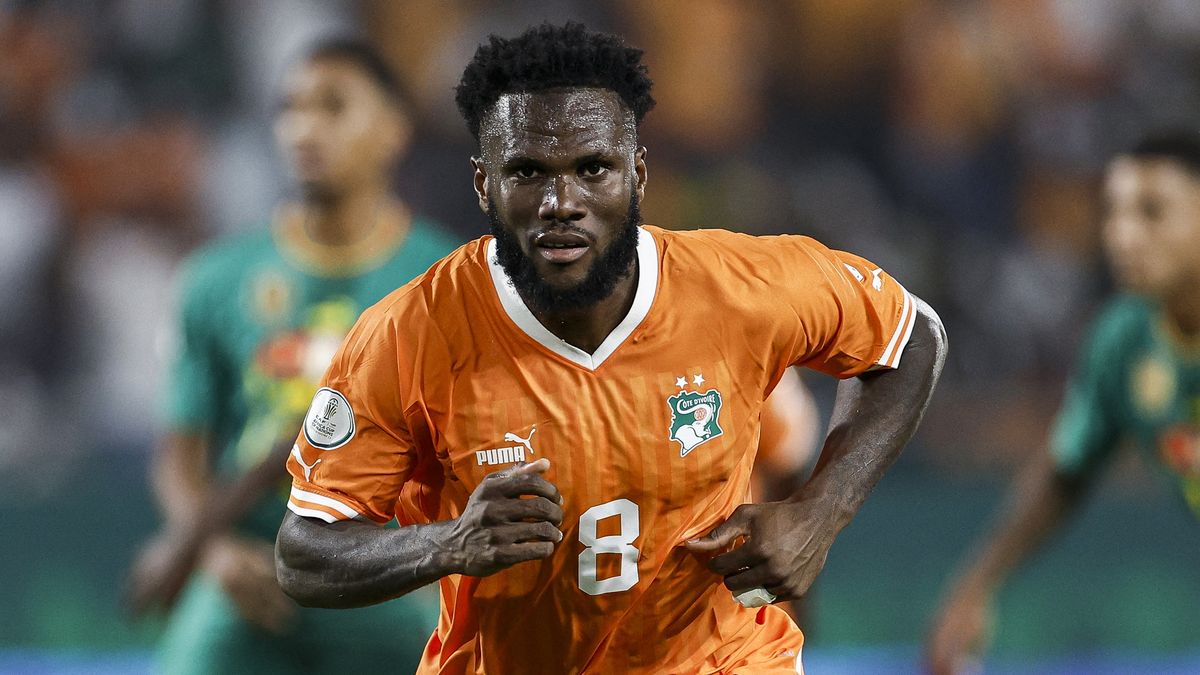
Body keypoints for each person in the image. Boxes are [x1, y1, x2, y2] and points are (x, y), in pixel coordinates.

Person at [275, 22, 946, 674]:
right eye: (528, 172)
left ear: (639, 174)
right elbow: (304, 551)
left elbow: (911, 334)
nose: (561, 201)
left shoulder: (742, 289)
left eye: (593, 167)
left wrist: (817, 515)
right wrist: (448, 543)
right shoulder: (410, 332)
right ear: (484, 184)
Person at [131, 38, 460, 674]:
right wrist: (214, 552)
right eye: (291, 109)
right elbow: (181, 453)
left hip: (388, 567)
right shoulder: (215, 278)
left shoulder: (448, 280)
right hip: (250, 565)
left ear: (394, 131)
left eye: (333, 107)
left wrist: (432, 561)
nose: (305, 128)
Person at [925, 131, 1200, 675]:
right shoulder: (1124, 341)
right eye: (1114, 212)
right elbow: (1066, 472)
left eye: (1152, 211)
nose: (1123, 235)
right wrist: (977, 587)